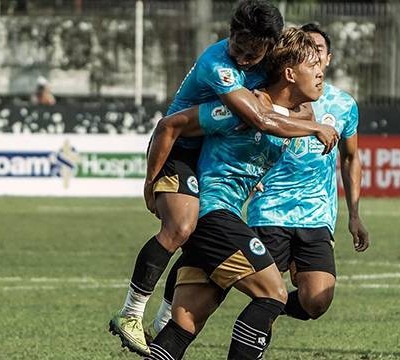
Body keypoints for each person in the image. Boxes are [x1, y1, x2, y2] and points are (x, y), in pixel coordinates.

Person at [109, 0, 339, 356]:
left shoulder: (278, 105)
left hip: (219, 210)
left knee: (185, 322)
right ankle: (130, 312)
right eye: (313, 65)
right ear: (290, 74)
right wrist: (151, 182)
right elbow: (175, 125)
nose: (322, 72)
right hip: (209, 206)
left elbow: (268, 130)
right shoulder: (237, 103)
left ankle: (156, 324)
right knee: (273, 293)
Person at [146, 23, 370, 336]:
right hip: (265, 209)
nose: (316, 58)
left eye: (319, 52)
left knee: (313, 300)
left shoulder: (338, 105)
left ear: (328, 59)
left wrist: (355, 215)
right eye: (310, 52)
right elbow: (256, 125)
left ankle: (242, 312)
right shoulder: (256, 100)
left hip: (316, 213)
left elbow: (347, 155)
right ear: (291, 65)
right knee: (248, 286)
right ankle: (165, 310)